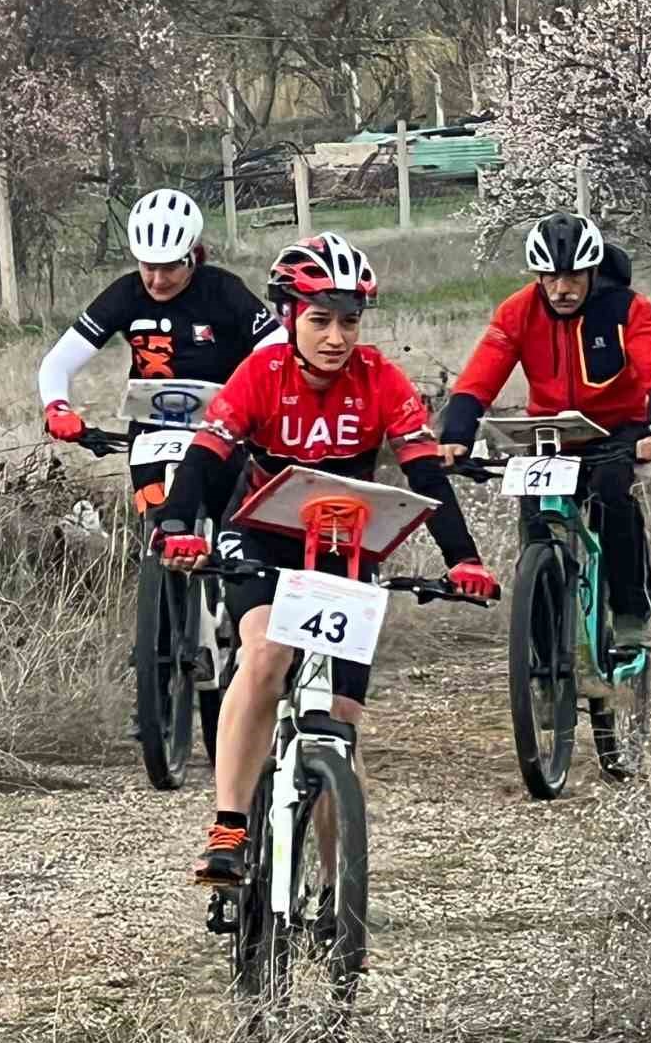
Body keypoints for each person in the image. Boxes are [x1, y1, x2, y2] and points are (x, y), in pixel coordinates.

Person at [153, 232, 498, 885]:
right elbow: (205, 459)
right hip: (259, 539)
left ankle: (344, 899)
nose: (336, 336)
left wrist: (464, 559)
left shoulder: (381, 381)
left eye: (349, 321)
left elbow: (425, 476)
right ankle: (229, 824)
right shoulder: (261, 373)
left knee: (341, 722)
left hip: (343, 550)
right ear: (289, 318)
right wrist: (176, 525)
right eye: (319, 320)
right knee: (266, 652)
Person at [439, 212, 651, 650]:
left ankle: (630, 612)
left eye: (572, 276)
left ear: (591, 272)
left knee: (613, 494)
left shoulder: (628, 308)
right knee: (535, 522)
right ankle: (544, 653)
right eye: (550, 277)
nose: (561, 288)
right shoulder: (517, 312)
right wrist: (455, 432)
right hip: (550, 432)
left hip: (617, 429)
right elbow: (478, 378)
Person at [38, 186, 286, 516]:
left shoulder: (223, 290)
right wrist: (57, 407)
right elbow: (58, 362)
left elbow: (278, 345)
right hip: (151, 422)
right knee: (156, 516)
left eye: (169, 268)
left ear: (192, 257)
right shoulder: (126, 295)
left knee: (227, 519)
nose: (156, 280)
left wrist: (260, 398)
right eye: (147, 266)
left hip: (224, 418)